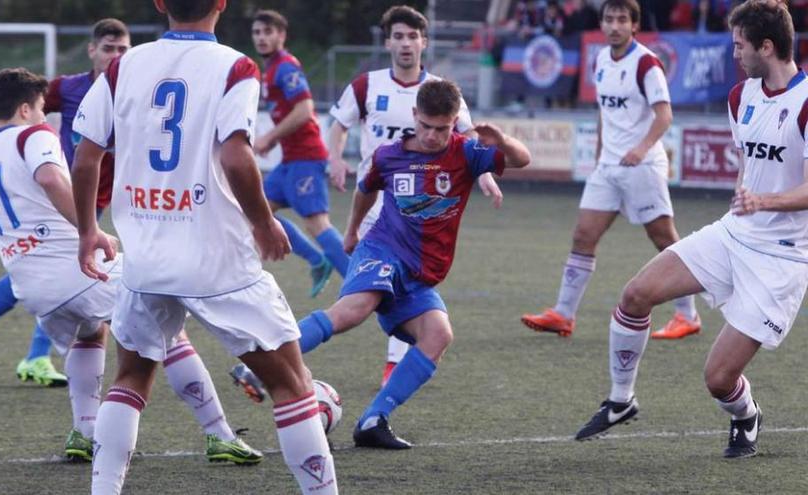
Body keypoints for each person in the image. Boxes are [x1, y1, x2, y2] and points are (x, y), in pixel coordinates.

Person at [71, 1, 337, 493]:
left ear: (158, 3)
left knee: (129, 379)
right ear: (222, 3)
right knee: (293, 386)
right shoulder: (235, 66)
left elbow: (86, 157)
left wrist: (88, 230)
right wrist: (262, 222)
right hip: (216, 260)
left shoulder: (122, 65)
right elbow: (237, 155)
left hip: (146, 258)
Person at [0, 67, 261, 465]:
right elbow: (52, 179)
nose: (45, 117)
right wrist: (88, 230)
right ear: (25, 109)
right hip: (75, 269)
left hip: (32, 288)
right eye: (41, 108)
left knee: (91, 332)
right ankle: (220, 435)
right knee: (171, 331)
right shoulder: (33, 135)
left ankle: (84, 431)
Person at [233, 80, 530, 449]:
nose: (434, 136)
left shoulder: (466, 153)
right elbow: (365, 190)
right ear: (414, 116)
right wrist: (353, 231)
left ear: (455, 122)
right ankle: (260, 364)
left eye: (443, 128)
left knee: (438, 335)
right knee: (352, 311)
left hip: (418, 275)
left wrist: (501, 139)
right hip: (382, 250)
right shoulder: (389, 156)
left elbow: (522, 159)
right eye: (426, 126)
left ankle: (374, 420)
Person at [575, 0, 808, 459]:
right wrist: (747, 194)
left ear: (767, 46)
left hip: (784, 257)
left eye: (740, 44)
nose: (734, 52)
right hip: (734, 234)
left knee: (718, 380)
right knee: (634, 295)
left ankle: (746, 415)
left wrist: (766, 200)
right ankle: (621, 400)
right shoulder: (741, 96)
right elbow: (750, 162)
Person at [0, 19, 131, 386]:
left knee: (46, 276)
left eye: (122, 50)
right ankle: (19, 353)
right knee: (56, 276)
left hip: (98, 195)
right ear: (92, 51)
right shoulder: (67, 88)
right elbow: (18, 116)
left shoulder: (133, 90)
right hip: (57, 197)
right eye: (108, 48)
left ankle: (16, 352)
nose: (115, 56)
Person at [324, 5, 505, 387]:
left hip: (416, 207)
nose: (406, 44)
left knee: (391, 292)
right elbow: (338, 124)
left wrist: (486, 176)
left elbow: (471, 139)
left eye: (412, 36)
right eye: (399, 36)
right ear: (388, 41)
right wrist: (336, 158)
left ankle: (392, 370)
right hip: (374, 201)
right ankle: (291, 350)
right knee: (362, 302)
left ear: (424, 41)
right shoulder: (366, 85)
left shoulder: (440, 92)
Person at [521, 0, 701, 340]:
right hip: (608, 168)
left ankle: (687, 315)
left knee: (664, 239)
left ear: (634, 25)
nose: (614, 25)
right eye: (609, 19)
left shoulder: (647, 63)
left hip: (643, 166)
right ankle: (563, 314)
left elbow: (664, 116)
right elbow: (605, 111)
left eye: (622, 19)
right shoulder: (601, 59)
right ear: (601, 24)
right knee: (583, 235)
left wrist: (640, 149)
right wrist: (602, 155)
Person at [251, 9, 349, 298]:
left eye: (268, 32)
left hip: (306, 158)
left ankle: (360, 282)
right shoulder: (269, 70)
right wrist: (274, 139)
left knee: (317, 223)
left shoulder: (286, 67)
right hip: (289, 161)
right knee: (256, 213)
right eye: (257, 33)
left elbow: (305, 109)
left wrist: (269, 135)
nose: (262, 38)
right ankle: (318, 261)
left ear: (281, 35)